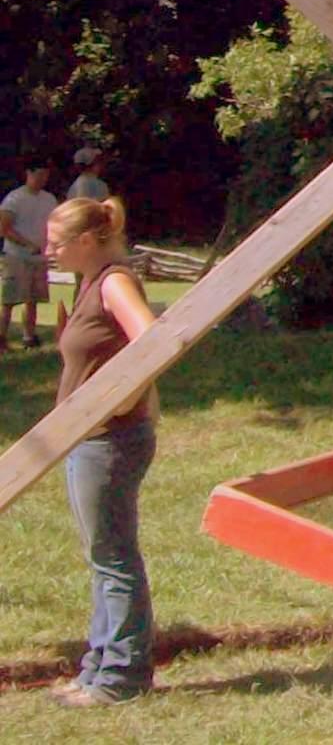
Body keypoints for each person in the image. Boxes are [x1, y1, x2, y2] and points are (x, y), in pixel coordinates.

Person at [45, 194, 158, 707]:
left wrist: (122, 401)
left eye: (56, 244)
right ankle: (98, 667)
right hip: (88, 440)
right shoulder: (90, 280)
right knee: (102, 555)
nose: (49, 252)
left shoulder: (114, 281)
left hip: (110, 442)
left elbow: (152, 342)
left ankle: (121, 678)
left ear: (87, 241)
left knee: (113, 557)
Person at [1, 157, 58, 350]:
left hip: (39, 257)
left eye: (45, 175)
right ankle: (2, 337)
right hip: (16, 256)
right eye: (38, 175)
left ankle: (29, 336)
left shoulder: (49, 199)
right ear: (28, 174)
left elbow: (54, 224)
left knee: (33, 299)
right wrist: (27, 244)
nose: (42, 179)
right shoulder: (14, 198)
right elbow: (4, 228)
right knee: (10, 299)